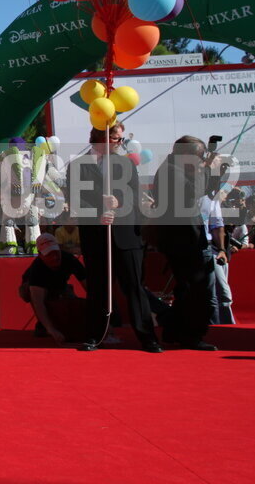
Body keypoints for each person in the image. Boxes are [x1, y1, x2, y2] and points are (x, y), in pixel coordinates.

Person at [67, 124, 161, 353]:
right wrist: (99, 211)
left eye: (120, 139)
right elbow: (75, 198)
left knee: (134, 287)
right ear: (101, 138)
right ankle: (94, 336)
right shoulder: (78, 166)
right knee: (98, 287)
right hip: (96, 235)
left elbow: (134, 194)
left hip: (126, 235)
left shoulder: (126, 163)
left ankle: (147, 337)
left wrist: (119, 204)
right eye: (116, 139)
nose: (119, 143)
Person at [151, 137, 218, 350]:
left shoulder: (177, 169)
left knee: (186, 289)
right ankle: (190, 334)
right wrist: (204, 170)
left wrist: (211, 170)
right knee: (196, 290)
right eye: (199, 156)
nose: (200, 161)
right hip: (181, 239)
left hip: (184, 237)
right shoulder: (171, 171)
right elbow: (192, 194)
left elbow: (207, 189)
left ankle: (174, 331)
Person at [19, 234, 87, 345]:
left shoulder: (69, 259)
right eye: (49, 254)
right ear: (40, 255)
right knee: (31, 293)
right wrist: (51, 330)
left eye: (56, 252)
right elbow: (38, 303)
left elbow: (90, 288)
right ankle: (44, 324)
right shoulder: (37, 269)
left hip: (61, 287)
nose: (54, 257)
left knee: (70, 303)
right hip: (36, 288)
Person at [200, 191, 234, 325]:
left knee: (221, 292)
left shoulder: (211, 199)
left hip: (209, 248)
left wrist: (221, 249)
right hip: (186, 247)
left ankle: (225, 326)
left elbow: (217, 224)